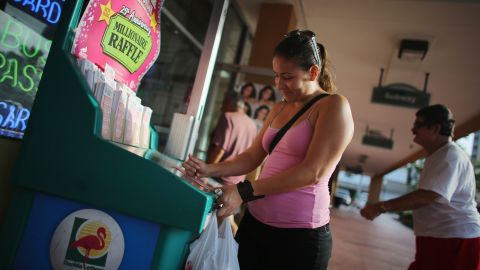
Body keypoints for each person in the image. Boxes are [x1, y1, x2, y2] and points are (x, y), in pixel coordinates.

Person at [183, 29, 354, 270]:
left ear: (313, 72)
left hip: (300, 238)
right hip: (255, 224)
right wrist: (208, 168)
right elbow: (253, 156)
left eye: (287, 76)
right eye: (276, 75)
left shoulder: (333, 106)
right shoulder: (279, 108)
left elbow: (313, 172)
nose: (278, 84)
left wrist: (243, 190)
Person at [360, 104, 480, 270]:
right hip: (440, 237)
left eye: (418, 125)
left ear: (435, 129)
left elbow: (426, 196)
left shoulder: (449, 156)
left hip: (455, 240)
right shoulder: (438, 155)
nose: (413, 129)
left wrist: (381, 207)